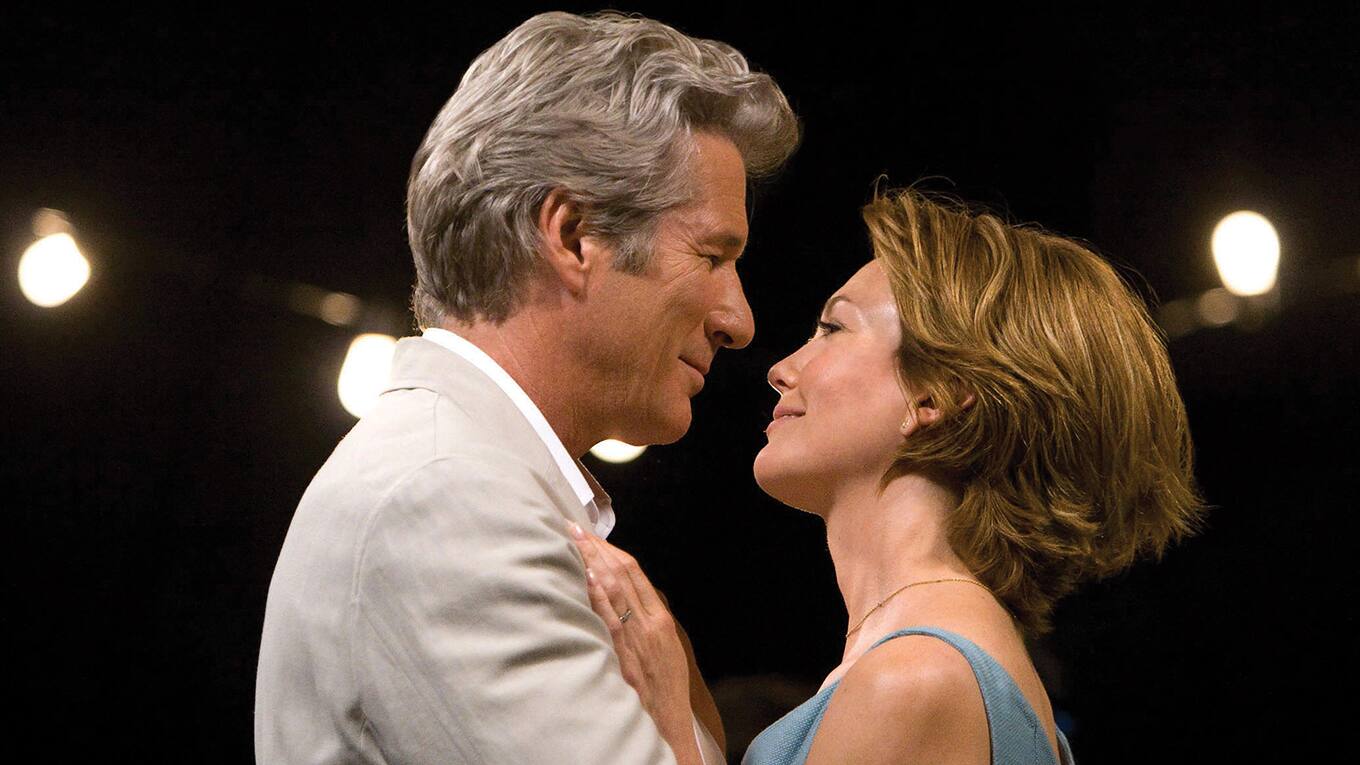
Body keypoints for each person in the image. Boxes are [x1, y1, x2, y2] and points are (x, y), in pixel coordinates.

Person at [254, 11, 798, 764]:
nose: (739, 320)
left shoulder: (464, 481)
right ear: (573, 236)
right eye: (711, 255)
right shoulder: (450, 498)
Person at [571, 189, 1204, 764]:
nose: (782, 368)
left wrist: (669, 732)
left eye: (832, 328)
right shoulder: (930, 661)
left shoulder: (916, 680)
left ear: (934, 396)